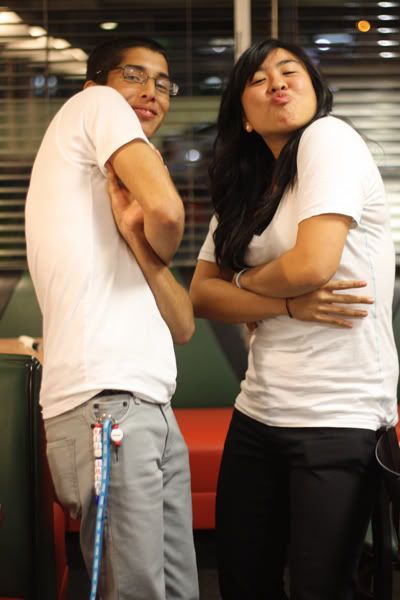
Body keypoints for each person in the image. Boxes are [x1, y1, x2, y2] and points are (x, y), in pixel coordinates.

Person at [189, 38, 398, 600]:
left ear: (314, 89)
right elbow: (201, 296)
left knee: (319, 589)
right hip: (258, 412)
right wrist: (284, 303)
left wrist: (243, 283)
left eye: (289, 71)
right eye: (258, 80)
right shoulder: (245, 188)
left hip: (339, 415)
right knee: (243, 584)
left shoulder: (330, 138)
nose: (277, 82)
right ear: (244, 117)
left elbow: (312, 265)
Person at [25, 36, 199, 600]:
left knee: (177, 591)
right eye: (134, 75)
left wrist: (137, 240)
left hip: (152, 408)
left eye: (163, 83)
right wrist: (151, 221)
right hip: (104, 404)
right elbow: (168, 210)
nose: (151, 93)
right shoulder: (96, 105)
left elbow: (184, 325)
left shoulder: (116, 199)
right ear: (94, 84)